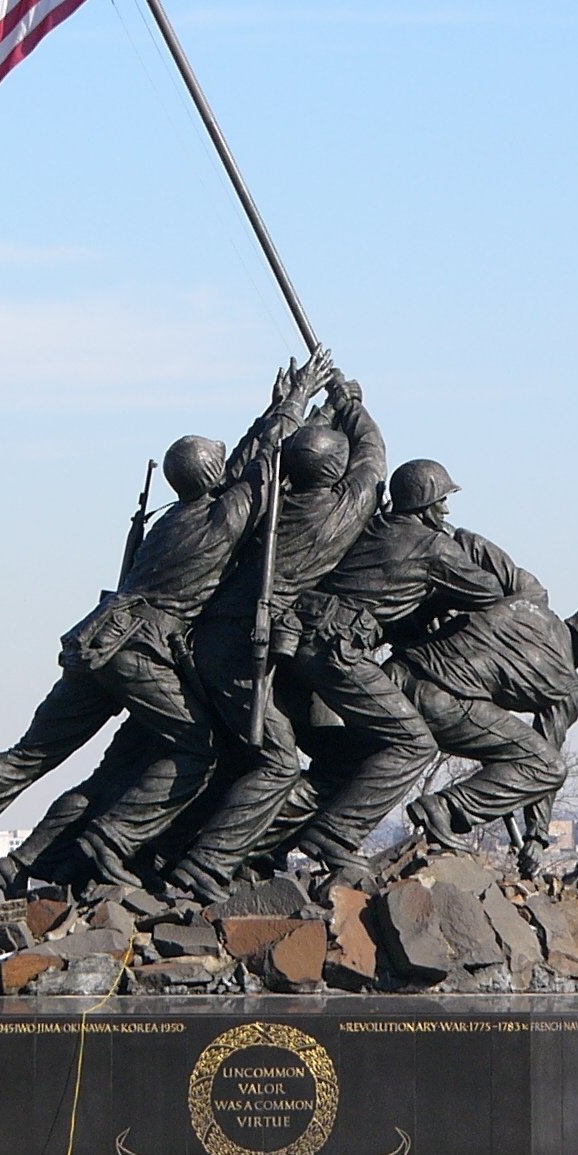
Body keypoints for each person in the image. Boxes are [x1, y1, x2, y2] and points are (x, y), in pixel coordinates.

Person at [0, 353, 332, 895]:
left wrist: (278, 406)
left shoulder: (172, 519)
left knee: (32, 754)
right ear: (212, 475)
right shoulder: (224, 518)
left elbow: (246, 463)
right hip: (140, 649)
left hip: (96, 639)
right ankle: (110, 841)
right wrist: (293, 403)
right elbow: (262, 467)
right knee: (198, 751)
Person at [168, 374, 386, 896]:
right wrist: (350, 404)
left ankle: (209, 852)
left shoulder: (266, 502)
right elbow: (374, 458)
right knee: (278, 762)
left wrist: (296, 408)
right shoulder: (343, 510)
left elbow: (259, 461)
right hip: (246, 647)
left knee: (243, 753)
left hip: (211, 637)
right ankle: (202, 864)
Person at [265, 459, 516, 872]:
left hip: (306, 642)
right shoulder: (433, 546)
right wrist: (462, 545)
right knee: (412, 744)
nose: (446, 512)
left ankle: (260, 840)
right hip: (337, 649)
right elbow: (488, 590)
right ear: (424, 504)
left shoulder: (373, 528)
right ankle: (335, 836)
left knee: (350, 757)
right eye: (442, 501)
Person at [401, 599, 578, 872]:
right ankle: (444, 808)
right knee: (549, 767)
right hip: (441, 703)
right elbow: (547, 756)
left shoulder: (524, 607)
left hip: (398, 675)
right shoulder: (566, 684)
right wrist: (537, 836)